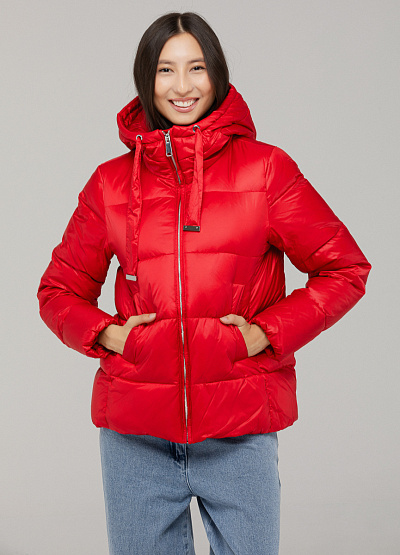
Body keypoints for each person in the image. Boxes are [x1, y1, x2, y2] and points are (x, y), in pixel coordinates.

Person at [37, 11, 371, 555]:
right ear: (147, 80)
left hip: (240, 428)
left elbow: (345, 268)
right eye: (165, 70)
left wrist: (265, 333)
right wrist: (109, 335)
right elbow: (57, 291)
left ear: (216, 74)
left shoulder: (266, 171)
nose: (182, 85)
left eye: (196, 67)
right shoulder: (110, 183)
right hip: (135, 437)